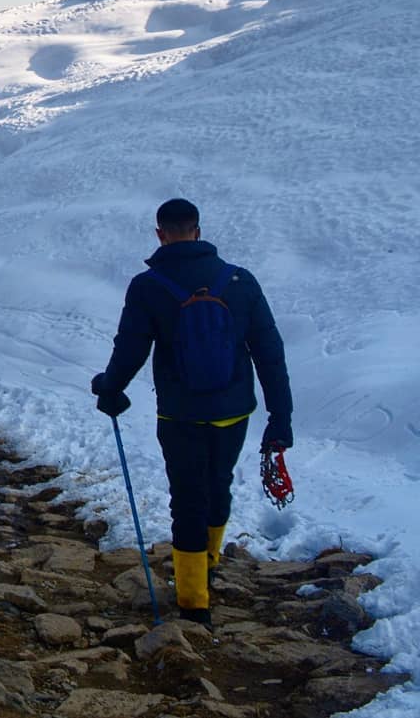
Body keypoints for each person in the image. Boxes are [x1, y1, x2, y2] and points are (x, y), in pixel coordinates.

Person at [91, 198, 293, 629]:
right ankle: (211, 559)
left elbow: (130, 349)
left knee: (187, 497)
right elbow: (270, 354)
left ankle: (193, 601)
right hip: (234, 411)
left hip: (180, 415)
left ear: (160, 233)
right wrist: (281, 419)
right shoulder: (241, 281)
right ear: (198, 231)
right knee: (217, 484)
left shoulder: (148, 286)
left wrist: (110, 388)